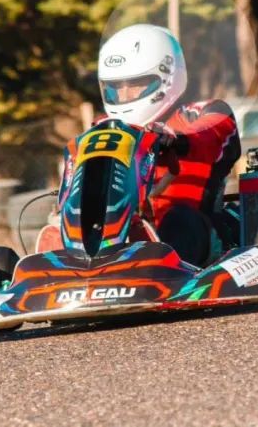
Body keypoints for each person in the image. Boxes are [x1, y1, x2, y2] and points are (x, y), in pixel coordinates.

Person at [95, 23, 241, 266]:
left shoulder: (203, 114)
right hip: (120, 235)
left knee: (178, 221)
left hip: (194, 234)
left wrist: (175, 140)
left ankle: (158, 265)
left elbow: (212, 133)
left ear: (166, 77)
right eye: (116, 87)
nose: (125, 95)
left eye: (136, 83)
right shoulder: (104, 129)